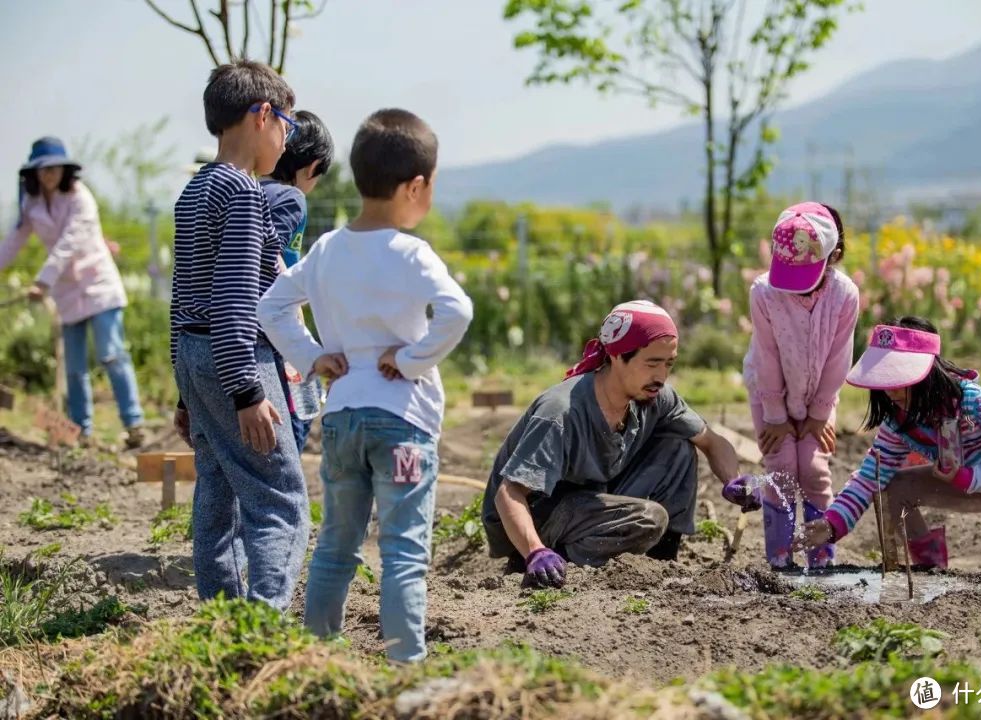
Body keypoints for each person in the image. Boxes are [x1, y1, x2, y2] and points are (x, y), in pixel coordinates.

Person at [258, 108, 472, 663]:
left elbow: (272, 306)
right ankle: (406, 666)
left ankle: (316, 659)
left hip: (343, 422)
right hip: (402, 430)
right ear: (416, 187)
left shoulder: (326, 248)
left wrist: (311, 357)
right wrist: (414, 359)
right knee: (402, 550)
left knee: (335, 546)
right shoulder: (411, 252)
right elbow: (457, 310)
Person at [171, 60, 319, 610]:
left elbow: (182, 299)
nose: (287, 138)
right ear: (262, 115)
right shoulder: (243, 193)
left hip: (194, 355)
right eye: (286, 124)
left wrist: (185, 392)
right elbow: (236, 300)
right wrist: (248, 393)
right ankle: (261, 631)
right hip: (237, 358)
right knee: (280, 501)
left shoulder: (193, 191)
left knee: (217, 492)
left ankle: (222, 618)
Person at [482, 300, 741, 589]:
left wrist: (734, 481)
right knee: (650, 518)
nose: (661, 376)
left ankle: (660, 561)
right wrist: (534, 551)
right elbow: (509, 493)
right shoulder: (562, 412)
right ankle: (555, 562)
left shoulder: (655, 396)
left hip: (592, 498)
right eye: (652, 363)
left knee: (679, 449)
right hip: (536, 516)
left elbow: (711, 441)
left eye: (669, 363)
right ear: (617, 356)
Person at [795, 316, 981, 576]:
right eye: (884, 381)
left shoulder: (971, 400)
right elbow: (869, 478)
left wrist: (970, 478)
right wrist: (833, 523)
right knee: (889, 490)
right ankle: (927, 565)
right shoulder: (898, 423)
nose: (891, 392)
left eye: (899, 379)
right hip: (956, 480)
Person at [732, 201, 859, 569]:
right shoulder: (765, 292)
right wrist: (774, 414)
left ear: (833, 256)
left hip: (821, 393)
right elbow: (766, 355)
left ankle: (820, 560)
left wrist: (820, 413)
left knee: (815, 469)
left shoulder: (845, 295)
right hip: (768, 394)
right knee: (782, 467)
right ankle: (781, 561)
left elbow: (839, 358)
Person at [0, 137, 145, 447]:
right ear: (34, 173)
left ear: (65, 170)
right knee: (74, 367)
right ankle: (82, 431)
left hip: (97, 285)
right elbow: (13, 241)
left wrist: (41, 281)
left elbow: (68, 244)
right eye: (43, 170)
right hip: (66, 291)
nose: (49, 175)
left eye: (54, 168)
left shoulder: (81, 199)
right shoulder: (32, 203)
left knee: (111, 354)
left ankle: (134, 425)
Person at [259, 110, 335, 453]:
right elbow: (280, 270)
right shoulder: (291, 199)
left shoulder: (251, 188)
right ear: (311, 166)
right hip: (274, 328)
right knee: (292, 427)